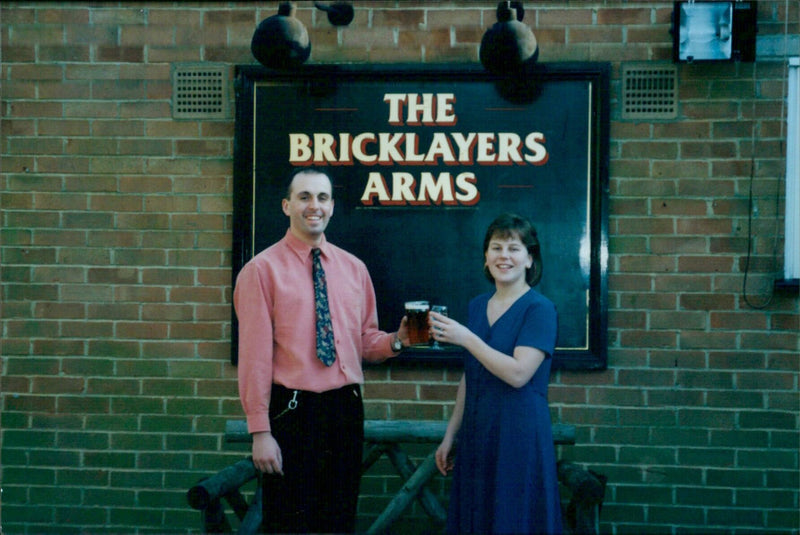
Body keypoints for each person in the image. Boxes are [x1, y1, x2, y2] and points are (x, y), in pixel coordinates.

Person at [233, 168, 409, 533]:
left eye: (323, 198)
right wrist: (260, 431)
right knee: (287, 521)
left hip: (345, 409)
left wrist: (396, 341)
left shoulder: (354, 269)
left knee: (338, 519)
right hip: (292, 412)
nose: (314, 206)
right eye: (304, 197)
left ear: (332, 206)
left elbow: (364, 341)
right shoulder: (260, 272)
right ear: (286, 206)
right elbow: (254, 360)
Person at [432, 212, 563, 535]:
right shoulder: (477, 306)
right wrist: (451, 435)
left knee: (513, 517)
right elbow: (470, 376)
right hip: (478, 432)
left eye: (514, 248)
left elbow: (519, 373)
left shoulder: (540, 309)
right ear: (486, 257)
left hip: (518, 433)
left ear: (530, 259)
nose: (504, 256)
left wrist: (466, 338)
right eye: (496, 247)